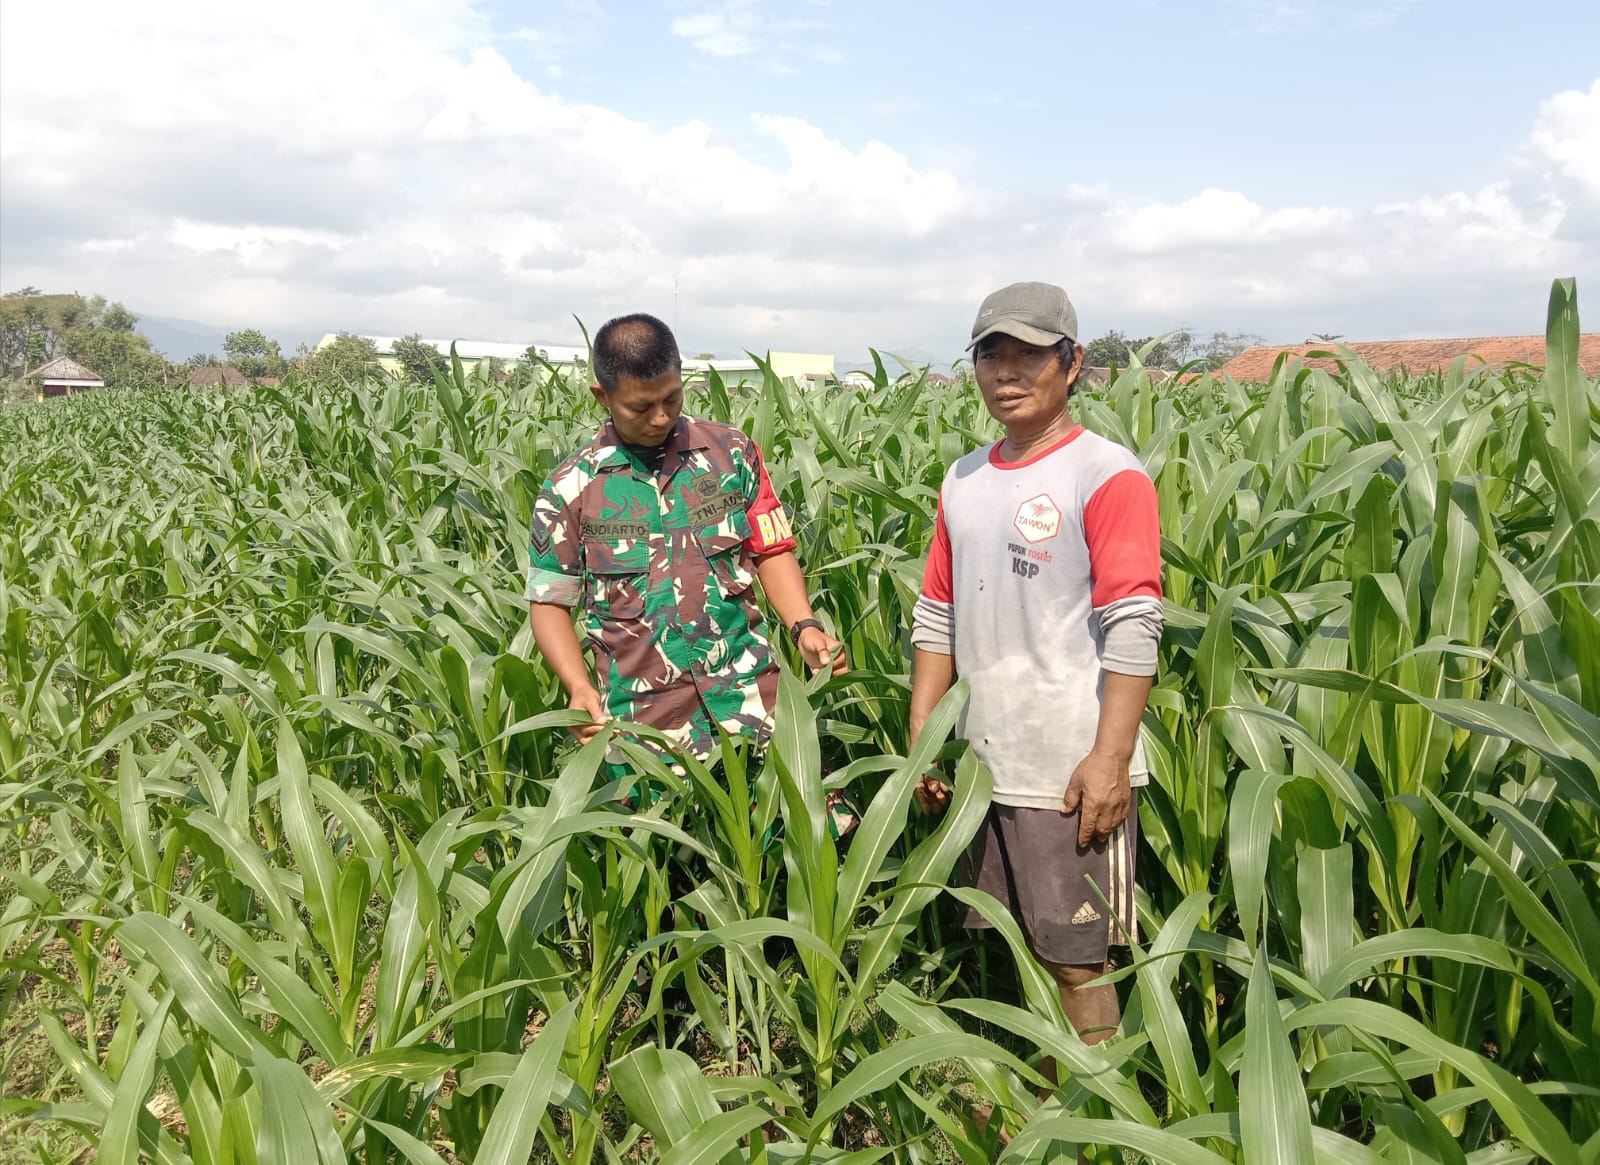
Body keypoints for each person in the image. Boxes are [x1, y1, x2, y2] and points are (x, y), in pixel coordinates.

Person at [909, 282, 1163, 1059]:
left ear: (1073, 362)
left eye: (1028, 352)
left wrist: (1110, 756)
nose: (1007, 371)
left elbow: (1134, 622)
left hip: (1070, 770)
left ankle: (1097, 1121)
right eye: (991, 353)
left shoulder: (1104, 473)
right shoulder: (964, 479)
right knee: (1018, 946)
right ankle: (1044, 1103)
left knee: (1077, 958)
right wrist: (925, 728)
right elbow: (937, 612)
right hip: (988, 764)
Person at [524, 311, 846, 793]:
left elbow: (770, 549)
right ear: (602, 395)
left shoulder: (730, 453)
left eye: (671, 398)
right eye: (640, 406)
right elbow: (550, 601)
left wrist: (804, 624)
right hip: (646, 726)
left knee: (800, 837)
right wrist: (578, 687)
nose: (660, 417)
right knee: (662, 861)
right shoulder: (571, 489)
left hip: (754, 702)